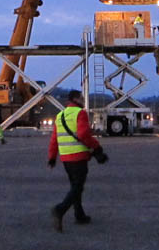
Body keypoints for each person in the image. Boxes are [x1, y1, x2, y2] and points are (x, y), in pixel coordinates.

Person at [47, 90, 104, 232]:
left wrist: (52, 157)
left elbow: (54, 138)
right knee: (78, 187)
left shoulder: (60, 116)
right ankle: (60, 209)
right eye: (81, 97)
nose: (83, 99)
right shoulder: (80, 113)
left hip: (65, 158)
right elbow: (83, 134)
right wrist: (96, 147)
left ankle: (79, 215)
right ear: (75, 99)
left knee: (75, 186)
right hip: (78, 156)